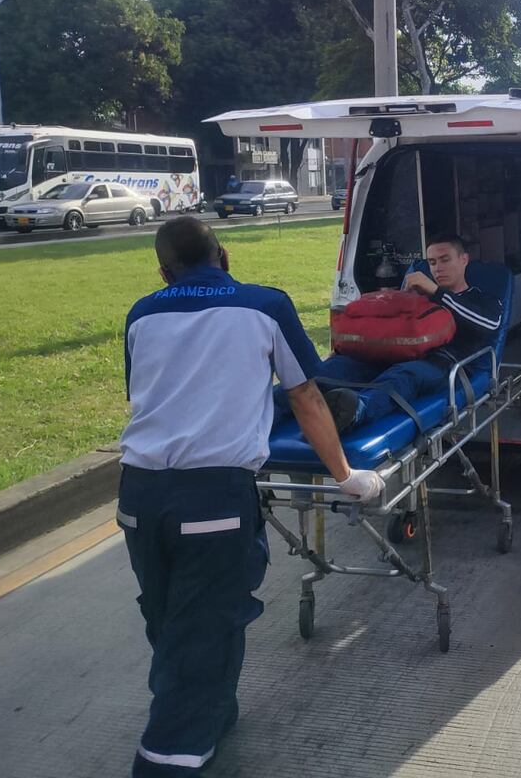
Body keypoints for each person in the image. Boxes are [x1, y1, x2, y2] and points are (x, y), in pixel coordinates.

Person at [117, 217, 382, 778]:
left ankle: (211, 712)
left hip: (138, 495)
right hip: (212, 496)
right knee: (206, 623)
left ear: (163, 272)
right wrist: (344, 476)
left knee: (168, 617)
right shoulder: (264, 305)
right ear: (226, 256)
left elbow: (146, 391)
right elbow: (307, 395)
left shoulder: (141, 313)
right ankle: (168, 756)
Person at [319, 234, 503, 432]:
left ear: (464, 259)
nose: (438, 268)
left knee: (403, 375)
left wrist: (436, 292)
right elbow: (384, 331)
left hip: (441, 366)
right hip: (394, 356)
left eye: (445, 259)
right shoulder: (418, 299)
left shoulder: (482, 300)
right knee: (336, 367)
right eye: (432, 262)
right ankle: (286, 402)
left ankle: (358, 410)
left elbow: (489, 324)